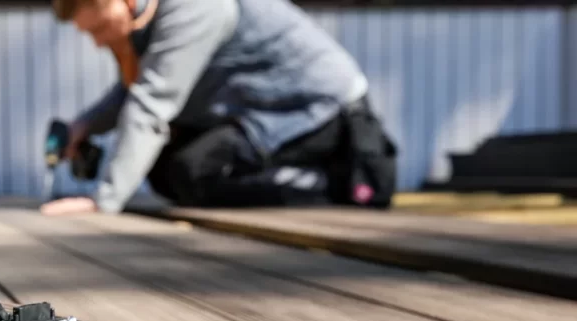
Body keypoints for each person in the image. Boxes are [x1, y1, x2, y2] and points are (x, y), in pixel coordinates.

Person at [40, 0, 398, 216]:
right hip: (258, 110)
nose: (99, 41)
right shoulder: (151, 17)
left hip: (316, 109)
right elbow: (135, 91)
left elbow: (151, 102)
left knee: (190, 171)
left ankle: (333, 185)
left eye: (100, 27)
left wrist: (103, 202)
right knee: (166, 171)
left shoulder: (194, 7)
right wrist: (83, 126)